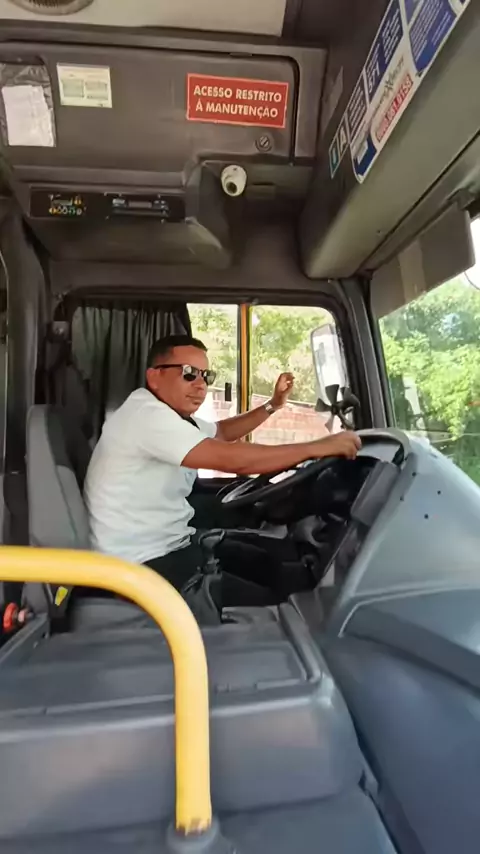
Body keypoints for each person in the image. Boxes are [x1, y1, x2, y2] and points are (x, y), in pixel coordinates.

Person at [84, 334, 361, 592]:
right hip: (139, 564)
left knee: (267, 563)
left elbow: (222, 432)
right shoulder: (147, 416)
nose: (200, 385)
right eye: (188, 373)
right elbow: (232, 459)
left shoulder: (170, 416)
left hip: (168, 541)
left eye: (206, 376)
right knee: (270, 596)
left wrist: (273, 405)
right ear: (154, 377)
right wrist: (314, 448)